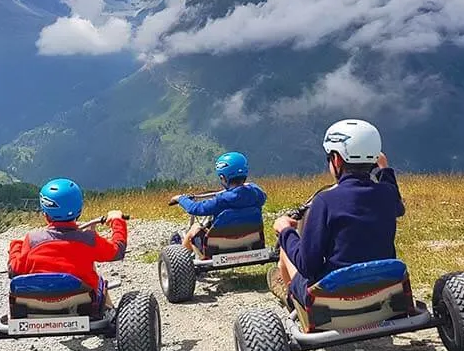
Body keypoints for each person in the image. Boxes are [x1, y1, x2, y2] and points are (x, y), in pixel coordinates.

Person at [269, 119, 405, 306]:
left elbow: (308, 266)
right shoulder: (387, 195)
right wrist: (385, 169)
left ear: (337, 159)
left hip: (334, 298)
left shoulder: (324, 202)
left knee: (286, 250)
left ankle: (293, 302)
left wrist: (285, 231)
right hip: (382, 287)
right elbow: (397, 204)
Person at [7, 178, 127, 313]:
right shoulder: (89, 239)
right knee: (100, 283)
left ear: (45, 214)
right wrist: (117, 221)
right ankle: (110, 314)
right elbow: (117, 251)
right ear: (79, 210)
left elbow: (14, 270)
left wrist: (17, 244)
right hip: (83, 304)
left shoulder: (32, 240)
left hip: (36, 304)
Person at [169, 151, 268, 259]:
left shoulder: (220, 200)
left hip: (217, 250)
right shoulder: (256, 194)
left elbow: (195, 208)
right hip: (250, 244)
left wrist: (180, 198)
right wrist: (250, 186)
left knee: (195, 227)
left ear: (223, 177)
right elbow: (262, 194)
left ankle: (179, 255)